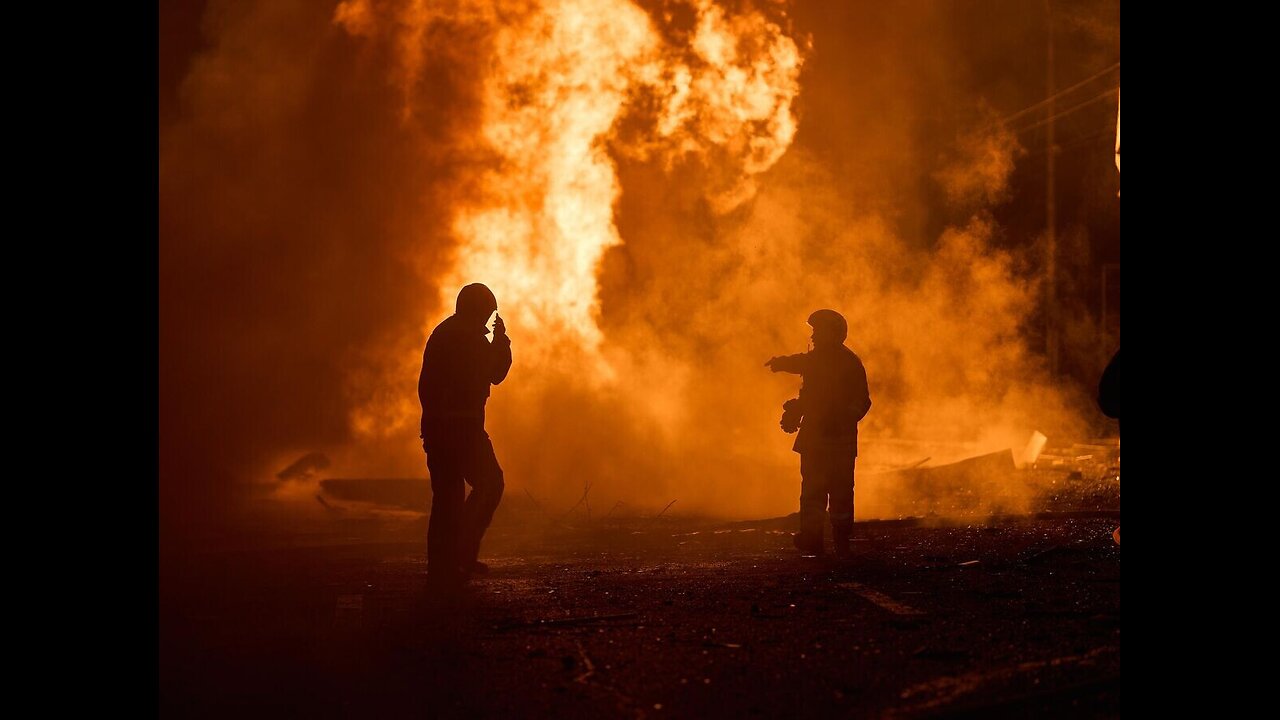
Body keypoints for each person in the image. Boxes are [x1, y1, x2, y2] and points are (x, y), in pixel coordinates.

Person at [418, 283, 512, 590]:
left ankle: (444, 568)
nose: (487, 319)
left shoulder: (449, 333)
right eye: (486, 313)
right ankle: (460, 552)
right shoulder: (466, 337)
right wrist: (501, 342)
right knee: (489, 484)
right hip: (461, 429)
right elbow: (495, 373)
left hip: (442, 428)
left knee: (447, 499)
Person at [766, 309, 871, 558]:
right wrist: (782, 365)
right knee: (815, 491)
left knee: (838, 491)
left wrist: (841, 420)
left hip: (833, 441)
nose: (813, 336)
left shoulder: (846, 363)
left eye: (818, 331)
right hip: (818, 440)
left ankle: (838, 540)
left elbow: (862, 401)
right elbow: (804, 369)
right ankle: (814, 539)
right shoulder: (822, 359)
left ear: (833, 334)